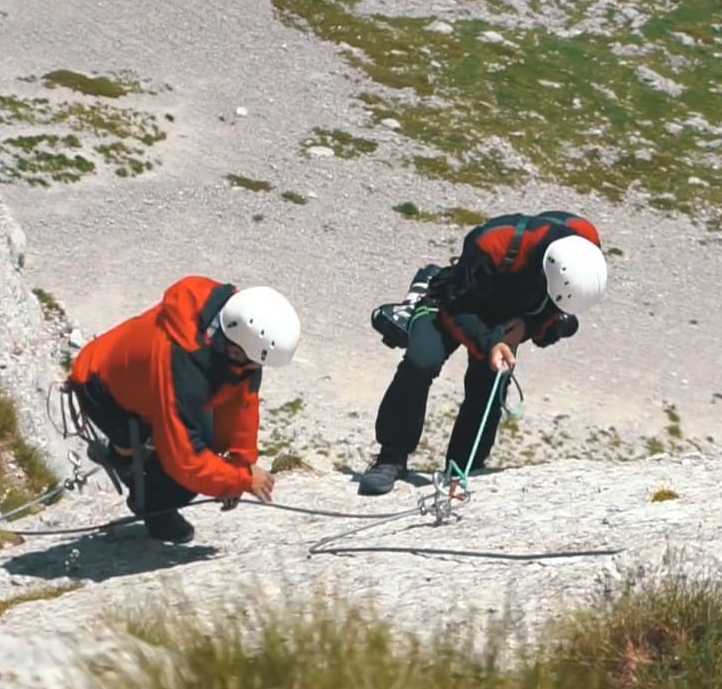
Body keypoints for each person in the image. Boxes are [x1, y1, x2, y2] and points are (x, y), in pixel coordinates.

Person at [358, 210, 608, 496]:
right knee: (421, 361)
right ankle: (390, 457)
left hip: (510, 315)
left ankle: (463, 470)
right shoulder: (492, 243)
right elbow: (455, 305)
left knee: (489, 386)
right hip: (453, 301)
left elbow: (552, 307)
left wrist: (528, 326)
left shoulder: (585, 249)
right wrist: (490, 344)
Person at [66, 276, 301, 543]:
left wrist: (240, 465)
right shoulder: (182, 363)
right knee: (179, 477)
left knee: (205, 450)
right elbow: (187, 462)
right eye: (252, 364)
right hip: (102, 390)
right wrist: (241, 480)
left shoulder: (225, 323)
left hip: (139, 382)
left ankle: (128, 454)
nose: (255, 372)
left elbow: (242, 402)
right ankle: (149, 503)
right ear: (235, 353)